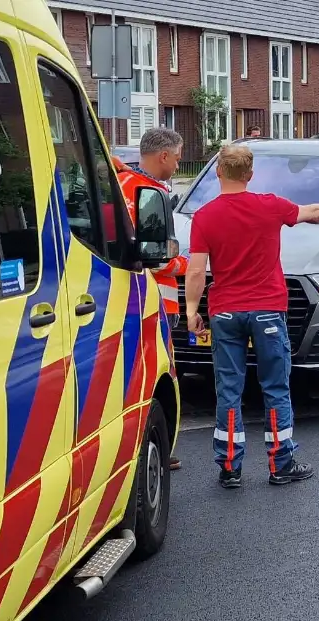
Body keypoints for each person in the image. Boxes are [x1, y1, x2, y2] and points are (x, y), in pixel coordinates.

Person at [184, 145, 319, 489]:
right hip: (266, 310)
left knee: (229, 388)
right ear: (249, 175)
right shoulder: (269, 206)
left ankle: (230, 467)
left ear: (219, 173)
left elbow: (195, 271)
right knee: (275, 386)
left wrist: (192, 312)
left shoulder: (204, 217)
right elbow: (314, 211)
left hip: (225, 312)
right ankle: (281, 463)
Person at [113, 127, 189, 470]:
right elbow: (154, 255)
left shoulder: (125, 186)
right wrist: (188, 264)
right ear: (163, 156)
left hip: (139, 298)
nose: (178, 162)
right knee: (158, 376)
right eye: (176, 156)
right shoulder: (146, 192)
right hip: (153, 300)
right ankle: (156, 445)